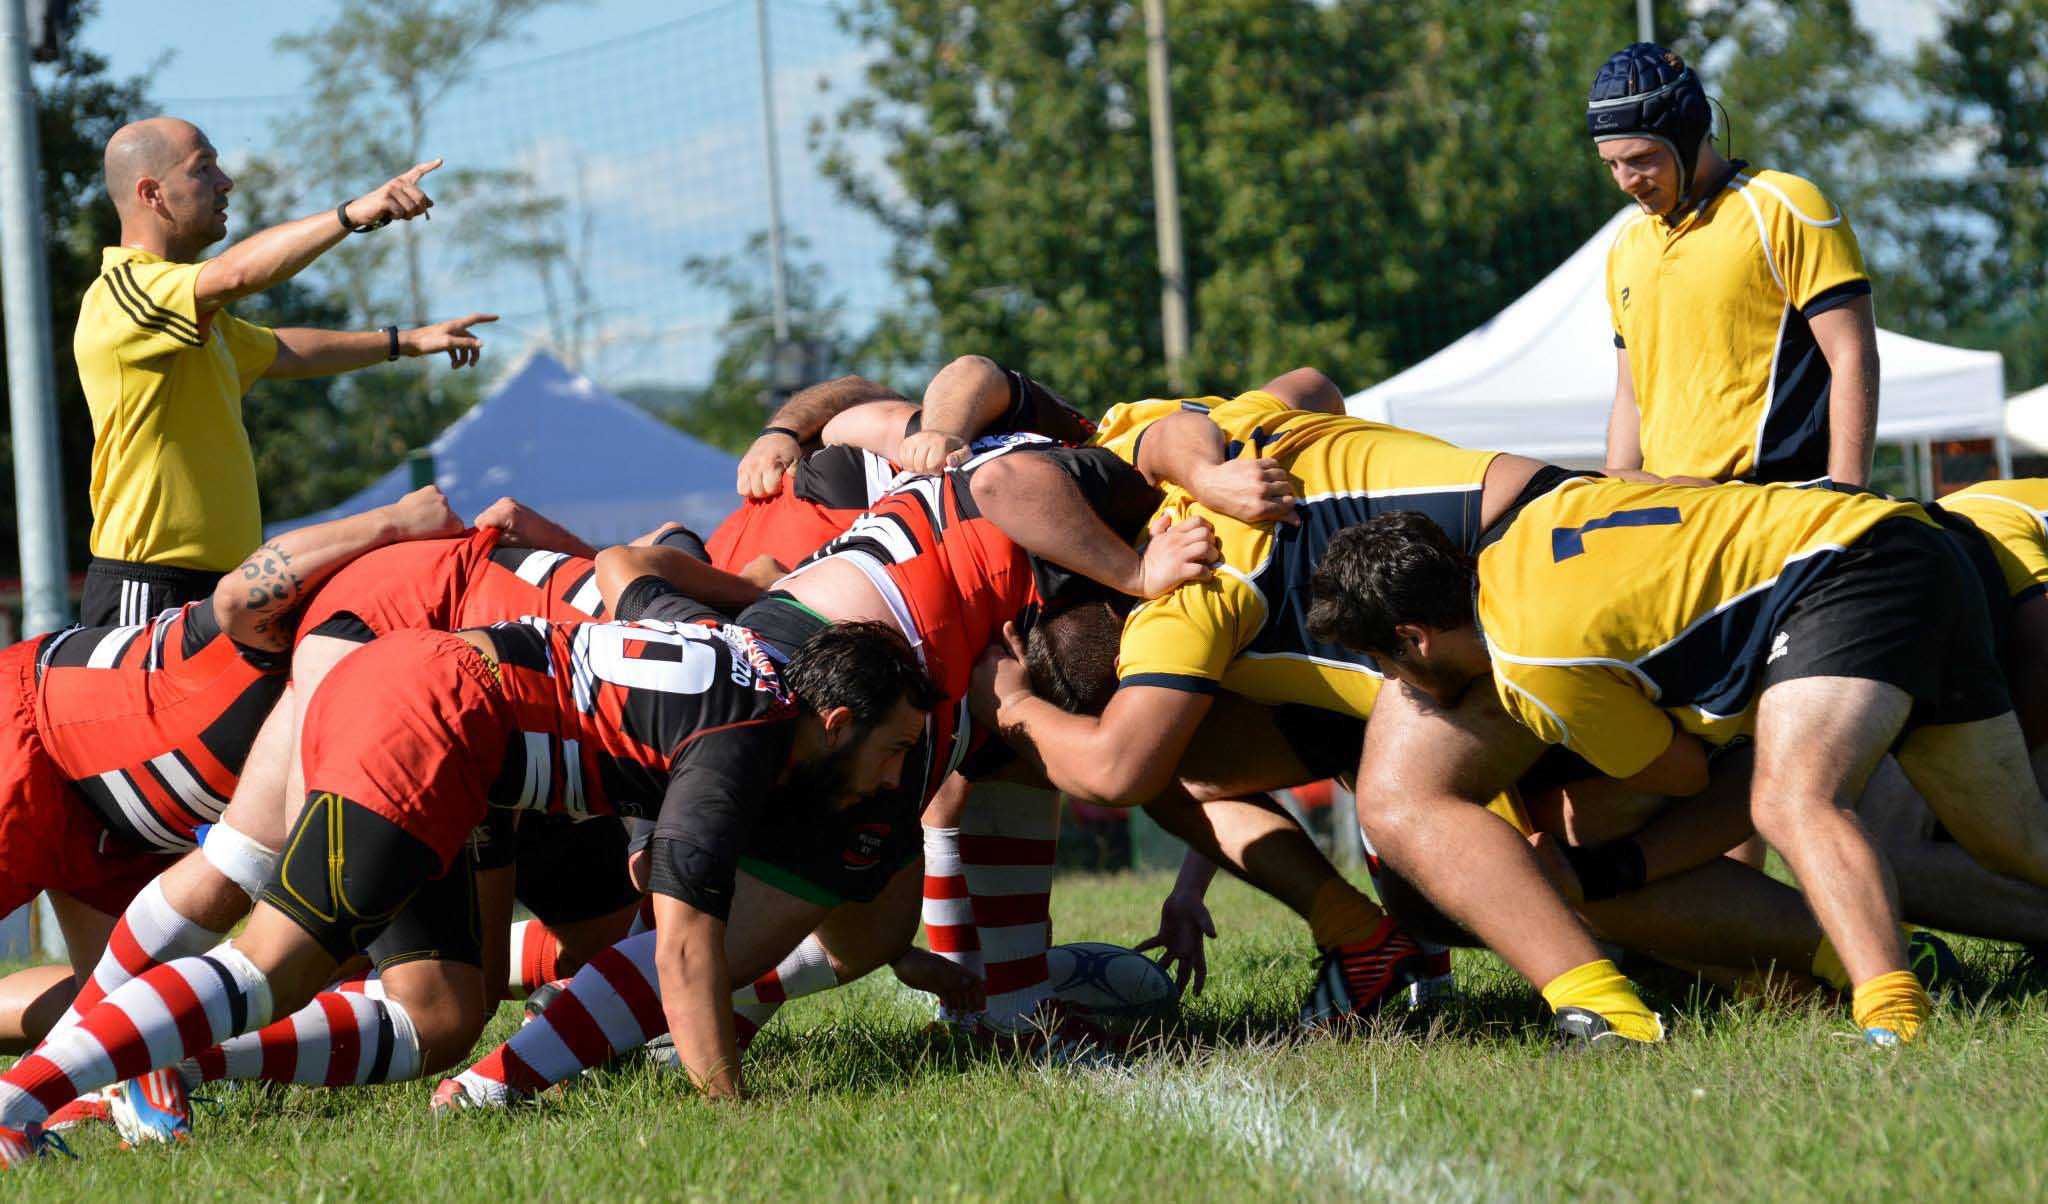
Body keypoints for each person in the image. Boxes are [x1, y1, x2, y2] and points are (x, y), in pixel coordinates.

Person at [0, 602, 942, 1162]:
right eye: (894, 750)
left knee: (443, 1015)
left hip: (436, 708)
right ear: (835, 720)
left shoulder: (758, 679)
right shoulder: (747, 739)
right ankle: (19, 1104)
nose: (894, 778)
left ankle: (176, 1055)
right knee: (274, 964)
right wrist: (728, 1109)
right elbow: (687, 948)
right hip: (433, 717)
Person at [1307, 476, 2048, 1044]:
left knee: (1794, 800)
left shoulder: (1532, 668)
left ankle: (1894, 1017)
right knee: (2013, 840)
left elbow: (1688, 776)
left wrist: (1608, 869)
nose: (1394, 684)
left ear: (1414, 638)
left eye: (1384, 663)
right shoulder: (1540, 518)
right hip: (1910, 540)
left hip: (1846, 576)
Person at [76, 117, 496, 625]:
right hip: (147, 586)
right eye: (203, 168)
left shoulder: (197, 319)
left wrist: (405, 342)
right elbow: (236, 274)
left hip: (225, 586)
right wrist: (351, 214)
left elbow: (280, 350)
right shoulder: (125, 295)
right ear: (152, 193)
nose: (225, 182)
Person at [1591, 44, 1879, 487]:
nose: (1625, 181)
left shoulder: (1787, 208)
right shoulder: (1627, 245)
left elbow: (1851, 356)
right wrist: (1615, 496)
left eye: (1641, 159)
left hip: (1774, 502)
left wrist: (1847, 495)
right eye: (1611, 164)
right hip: (1672, 508)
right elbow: (1631, 397)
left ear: (1689, 132)